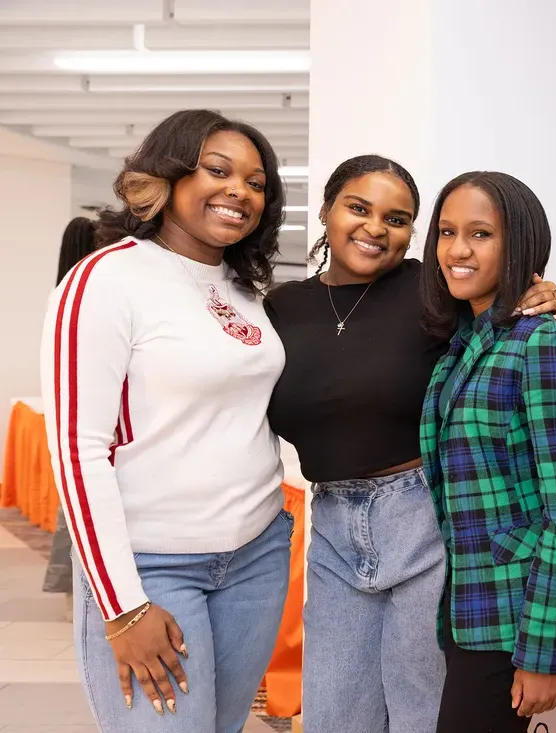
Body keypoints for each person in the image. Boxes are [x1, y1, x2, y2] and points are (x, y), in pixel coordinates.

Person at [263, 156, 556, 733]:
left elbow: (511, 311)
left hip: (426, 515)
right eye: (358, 208)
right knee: (335, 714)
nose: (375, 227)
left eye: (398, 218)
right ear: (328, 209)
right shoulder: (282, 308)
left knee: (423, 712)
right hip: (333, 521)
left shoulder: (430, 288)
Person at [40, 109, 292, 732]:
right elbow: (77, 452)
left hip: (255, 556)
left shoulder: (247, 291)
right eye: (218, 170)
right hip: (151, 565)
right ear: (169, 176)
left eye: (257, 183)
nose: (240, 190)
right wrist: (122, 606)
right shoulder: (104, 279)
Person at [419, 171, 556, 731]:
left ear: (518, 245)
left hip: (514, 610)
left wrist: (545, 653)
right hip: (465, 602)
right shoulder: (464, 343)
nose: (457, 250)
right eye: (446, 231)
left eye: (480, 233)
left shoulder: (543, 343)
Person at [41, 216, 99, 598]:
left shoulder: (62, 295)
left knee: (76, 512)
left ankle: (72, 589)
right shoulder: (91, 293)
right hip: (98, 429)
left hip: (73, 420)